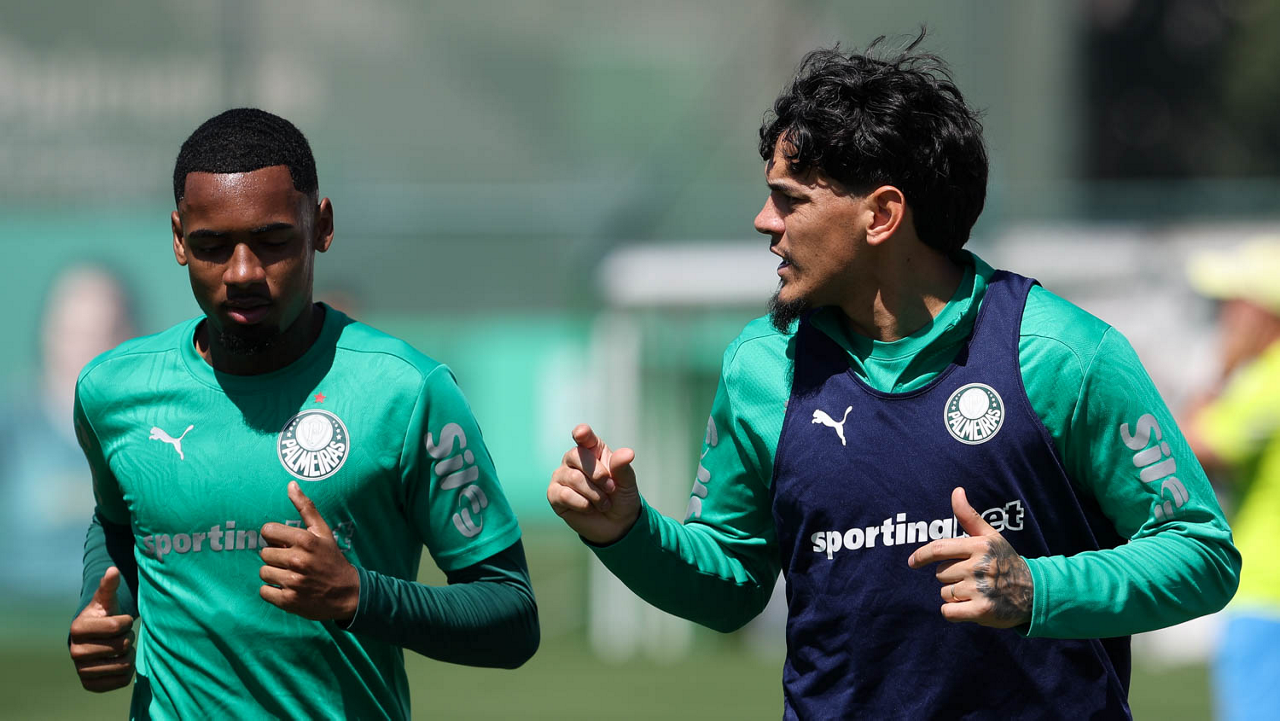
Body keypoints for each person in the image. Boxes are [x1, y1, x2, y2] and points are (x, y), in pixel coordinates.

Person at [547, 36, 1239, 718]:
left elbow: (1200, 553)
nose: (764, 222)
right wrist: (627, 531)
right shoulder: (761, 366)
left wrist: (1037, 587)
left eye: (790, 200)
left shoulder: (1063, 354)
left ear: (881, 215)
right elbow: (731, 585)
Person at [67, 108, 538, 719]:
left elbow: (511, 617)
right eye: (212, 246)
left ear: (322, 226)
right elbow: (118, 525)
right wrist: (101, 608)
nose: (242, 272)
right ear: (179, 239)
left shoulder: (406, 392)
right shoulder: (111, 391)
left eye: (272, 242)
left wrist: (358, 596)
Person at [1181, 240, 1280, 721]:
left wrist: (1223, 368)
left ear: (1262, 311)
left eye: (1235, 304)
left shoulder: (1269, 380)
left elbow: (1183, 450)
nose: (1226, 317)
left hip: (1269, 596)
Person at [0, 265, 135, 604]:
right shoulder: (10, 431)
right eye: (75, 333)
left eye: (105, 332)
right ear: (48, 335)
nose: (87, 348)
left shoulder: (155, 440)